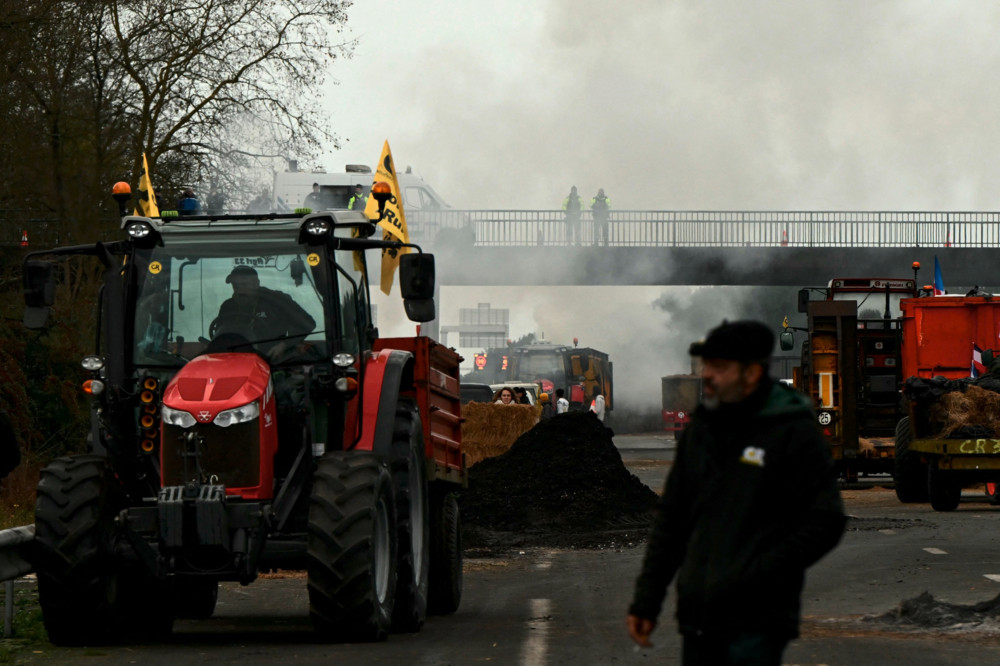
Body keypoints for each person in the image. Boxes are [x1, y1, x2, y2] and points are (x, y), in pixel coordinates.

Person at [627, 320, 845, 665]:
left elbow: (826, 520)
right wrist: (646, 601)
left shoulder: (791, 431)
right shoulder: (701, 429)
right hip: (699, 616)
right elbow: (672, 519)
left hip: (757, 620)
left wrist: (760, 571)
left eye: (720, 367)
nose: (708, 375)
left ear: (752, 373)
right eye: (707, 366)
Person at [213, 266, 316, 359]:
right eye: (235, 286)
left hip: (273, 360)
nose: (240, 291)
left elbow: (308, 323)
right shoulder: (228, 306)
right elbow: (219, 333)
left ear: (256, 283)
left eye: (244, 285)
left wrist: (284, 345)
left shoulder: (277, 300)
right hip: (235, 359)